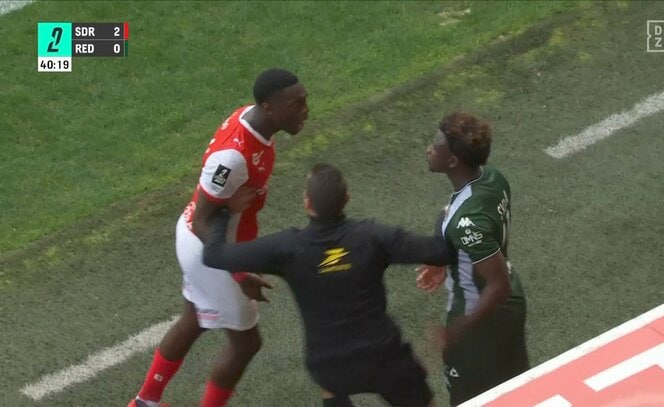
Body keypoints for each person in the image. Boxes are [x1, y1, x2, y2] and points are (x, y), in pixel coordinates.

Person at [202, 163, 456, 407]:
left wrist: (224, 211)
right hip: (384, 357)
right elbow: (440, 251)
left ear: (307, 203)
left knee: (331, 385)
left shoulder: (288, 248)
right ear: (347, 199)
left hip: (329, 366)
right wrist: (444, 214)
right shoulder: (373, 236)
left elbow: (213, 255)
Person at [129, 69, 309, 407]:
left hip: (209, 242)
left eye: (305, 100)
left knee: (194, 319)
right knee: (246, 344)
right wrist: (239, 273)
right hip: (210, 250)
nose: (305, 110)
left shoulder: (253, 121)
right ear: (269, 108)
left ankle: (144, 402)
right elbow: (202, 220)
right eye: (297, 104)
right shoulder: (232, 158)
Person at [416, 112, 530, 406]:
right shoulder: (493, 178)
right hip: (511, 306)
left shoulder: (466, 223)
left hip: (479, 317)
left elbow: (498, 285)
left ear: (453, 160)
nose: (428, 149)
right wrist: (444, 258)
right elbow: (452, 214)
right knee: (517, 392)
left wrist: (456, 331)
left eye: (435, 145)